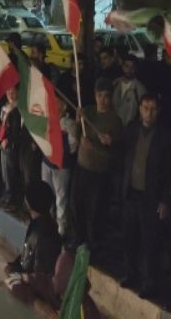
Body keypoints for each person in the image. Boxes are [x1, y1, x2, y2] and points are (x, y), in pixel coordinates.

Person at [120, 93, 171, 299]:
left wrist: (165, 200)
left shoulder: (165, 137)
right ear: (140, 109)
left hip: (151, 198)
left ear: (158, 111)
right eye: (145, 108)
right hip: (130, 193)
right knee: (129, 238)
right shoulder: (132, 130)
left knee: (150, 243)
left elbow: (168, 172)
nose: (148, 113)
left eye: (152, 109)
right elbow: (120, 151)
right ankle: (131, 274)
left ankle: (150, 283)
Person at [71, 78, 123, 256]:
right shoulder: (88, 112)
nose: (103, 100)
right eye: (99, 95)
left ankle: (93, 246)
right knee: (76, 205)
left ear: (111, 97)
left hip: (99, 173)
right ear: (94, 95)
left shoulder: (115, 121)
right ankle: (79, 239)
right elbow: (77, 136)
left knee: (95, 212)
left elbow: (117, 153)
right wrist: (77, 121)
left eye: (106, 96)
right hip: (81, 168)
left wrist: (109, 143)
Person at [5, 182, 62, 306]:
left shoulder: (44, 234)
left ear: (30, 203)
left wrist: (18, 276)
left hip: (35, 293)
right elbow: (27, 255)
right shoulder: (38, 224)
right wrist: (14, 266)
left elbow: (40, 277)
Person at [40, 95, 79, 237]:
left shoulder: (69, 124)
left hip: (62, 166)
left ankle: (61, 230)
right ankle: (47, 223)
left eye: (57, 103)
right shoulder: (47, 119)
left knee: (60, 198)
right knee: (46, 194)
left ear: (64, 106)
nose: (54, 105)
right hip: (47, 163)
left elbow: (73, 147)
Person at [0, 86, 22, 210]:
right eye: (8, 92)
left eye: (13, 92)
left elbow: (17, 131)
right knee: (5, 172)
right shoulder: (5, 107)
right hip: (3, 143)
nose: (10, 95)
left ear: (17, 93)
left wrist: (8, 140)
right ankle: (6, 195)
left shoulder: (18, 110)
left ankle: (11, 199)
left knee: (10, 172)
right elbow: (1, 123)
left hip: (10, 145)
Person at [112, 54, 147, 127]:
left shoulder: (140, 89)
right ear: (122, 67)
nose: (129, 70)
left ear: (136, 69)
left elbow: (143, 113)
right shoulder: (115, 84)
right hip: (112, 126)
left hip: (129, 128)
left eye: (132, 67)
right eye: (127, 66)